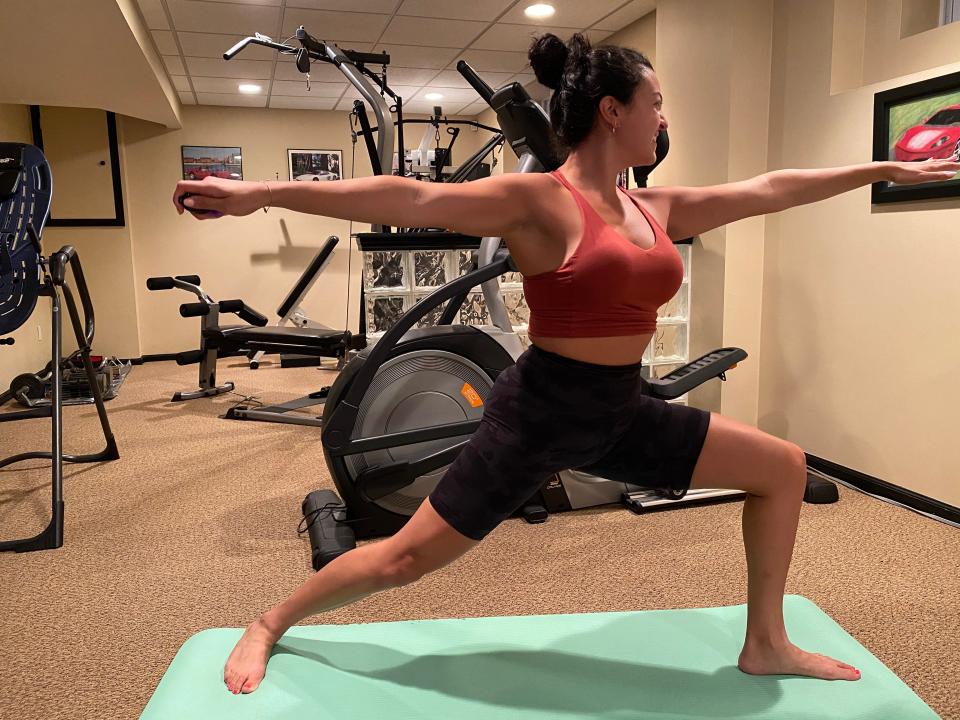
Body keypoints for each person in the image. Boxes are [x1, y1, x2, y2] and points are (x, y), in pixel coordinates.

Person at [172, 33, 960, 696]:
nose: (663, 119)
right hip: (540, 412)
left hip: (621, 409)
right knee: (405, 557)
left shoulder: (654, 206)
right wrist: (260, 194)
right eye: (655, 104)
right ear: (613, 112)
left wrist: (878, 171)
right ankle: (270, 621)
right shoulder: (541, 201)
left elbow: (768, 189)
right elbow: (407, 199)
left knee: (783, 468)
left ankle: (766, 643)